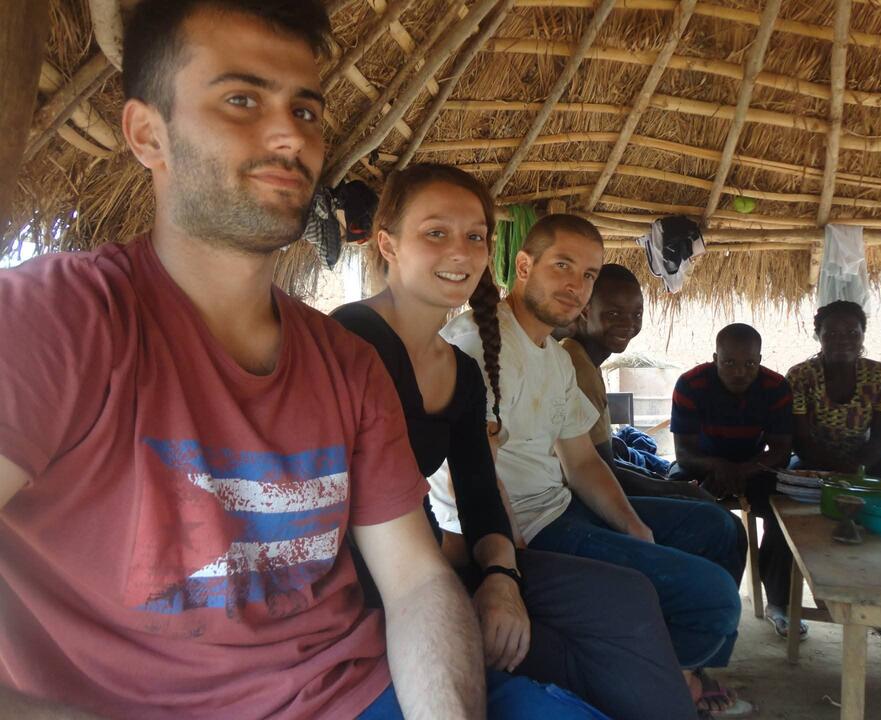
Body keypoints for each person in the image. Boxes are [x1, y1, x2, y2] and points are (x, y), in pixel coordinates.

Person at [0, 3, 563, 718]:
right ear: (147, 135)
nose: (290, 136)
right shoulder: (52, 321)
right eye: (241, 99)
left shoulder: (346, 364)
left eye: (306, 111)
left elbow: (417, 583)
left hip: (356, 691)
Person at [331, 164, 696, 720]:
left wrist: (501, 575)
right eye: (436, 233)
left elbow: (479, 492)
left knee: (627, 599)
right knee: (567, 657)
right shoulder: (349, 342)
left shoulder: (459, 370)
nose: (460, 252)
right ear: (388, 244)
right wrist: (461, 581)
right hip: (363, 589)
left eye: (475, 236)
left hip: (430, 565)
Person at [435, 214, 753, 718]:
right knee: (712, 600)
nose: (576, 286)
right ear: (524, 266)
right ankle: (665, 675)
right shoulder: (477, 344)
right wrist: (508, 567)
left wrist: (633, 527)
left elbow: (582, 460)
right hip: (525, 531)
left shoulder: (555, 357)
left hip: (561, 508)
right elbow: (470, 479)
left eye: (587, 274)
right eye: (562, 266)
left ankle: (670, 667)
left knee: (715, 527)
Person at [671, 324, 800, 639]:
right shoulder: (691, 384)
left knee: (786, 512)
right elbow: (684, 454)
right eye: (729, 362)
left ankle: (779, 602)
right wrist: (718, 467)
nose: (740, 372)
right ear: (715, 358)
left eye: (750, 364)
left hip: (754, 467)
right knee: (674, 502)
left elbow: (781, 452)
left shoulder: (776, 387)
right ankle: (686, 600)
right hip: (702, 465)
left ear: (760, 360)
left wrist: (742, 471)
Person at [562, 264, 717, 502]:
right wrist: (678, 490)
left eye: (636, 315)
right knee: (718, 519)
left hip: (591, 487)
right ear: (584, 310)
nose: (628, 324)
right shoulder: (576, 368)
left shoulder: (583, 359)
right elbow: (604, 472)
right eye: (613, 314)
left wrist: (666, 484)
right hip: (576, 499)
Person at [786, 301, 881, 493]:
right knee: (784, 489)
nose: (842, 340)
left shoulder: (879, 376)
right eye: (831, 334)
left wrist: (856, 468)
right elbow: (801, 440)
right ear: (818, 335)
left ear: (863, 334)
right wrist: (837, 469)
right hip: (812, 460)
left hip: (867, 460)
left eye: (852, 333)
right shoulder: (801, 376)